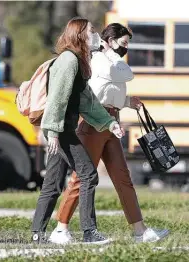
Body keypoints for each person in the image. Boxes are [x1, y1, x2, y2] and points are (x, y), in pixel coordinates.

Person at [50, 23, 169, 244]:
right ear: (110, 41)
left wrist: (126, 101)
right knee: (81, 178)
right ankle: (60, 228)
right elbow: (120, 76)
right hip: (94, 124)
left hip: (112, 122)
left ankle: (140, 231)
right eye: (123, 43)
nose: (126, 49)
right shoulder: (98, 60)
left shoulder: (111, 61)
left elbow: (108, 89)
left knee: (123, 178)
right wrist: (107, 53)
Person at [31, 17, 125, 245]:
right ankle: (89, 232)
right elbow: (57, 98)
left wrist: (110, 123)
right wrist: (52, 131)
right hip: (60, 130)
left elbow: (88, 101)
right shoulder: (68, 61)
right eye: (91, 31)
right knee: (89, 174)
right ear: (80, 34)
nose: (96, 35)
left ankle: (37, 234)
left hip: (61, 129)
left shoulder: (79, 62)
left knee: (52, 183)